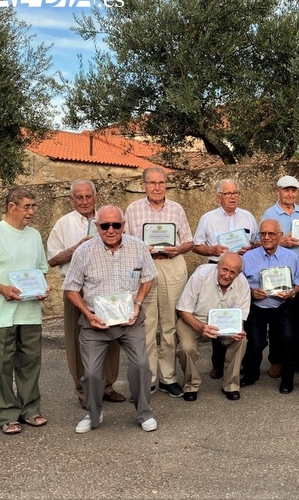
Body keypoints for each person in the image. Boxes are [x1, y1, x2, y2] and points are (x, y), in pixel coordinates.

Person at [63, 205, 158, 433]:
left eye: (116, 225)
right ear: (97, 227)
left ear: (123, 226)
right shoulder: (83, 252)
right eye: (105, 225)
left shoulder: (138, 247)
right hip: (95, 323)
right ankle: (93, 413)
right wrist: (88, 314)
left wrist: (137, 303)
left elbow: (148, 277)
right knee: (93, 374)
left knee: (141, 365)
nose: (111, 230)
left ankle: (144, 412)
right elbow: (71, 288)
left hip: (130, 321)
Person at [0, 187, 50, 434]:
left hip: (29, 311)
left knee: (30, 362)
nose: (32, 212)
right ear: (11, 207)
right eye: (27, 206)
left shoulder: (34, 235)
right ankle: (6, 414)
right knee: (1, 366)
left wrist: (42, 287)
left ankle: (30, 409)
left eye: (34, 206)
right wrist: (2, 288)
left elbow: (41, 269)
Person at [47, 180, 124, 409]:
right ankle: (83, 390)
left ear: (96, 197)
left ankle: (107, 386)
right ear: (71, 200)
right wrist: (77, 247)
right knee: (77, 338)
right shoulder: (63, 224)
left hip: (106, 286)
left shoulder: (108, 218)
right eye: (79, 197)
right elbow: (52, 260)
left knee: (111, 336)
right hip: (76, 289)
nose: (84, 201)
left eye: (88, 196)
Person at [125, 167, 194, 397]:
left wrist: (178, 249)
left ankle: (168, 377)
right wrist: (141, 249)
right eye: (152, 183)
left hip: (172, 265)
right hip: (144, 267)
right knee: (146, 324)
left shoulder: (176, 209)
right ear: (143, 184)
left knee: (169, 323)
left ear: (166, 185)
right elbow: (125, 241)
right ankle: (149, 377)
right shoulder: (133, 210)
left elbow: (188, 241)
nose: (157, 187)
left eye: (161, 183)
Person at [193, 178, 258, 379]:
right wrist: (212, 249)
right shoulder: (208, 218)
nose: (232, 197)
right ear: (218, 196)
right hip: (217, 268)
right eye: (228, 194)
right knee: (217, 314)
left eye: (235, 193)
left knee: (243, 314)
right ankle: (218, 364)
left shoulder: (248, 217)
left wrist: (251, 247)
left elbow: (257, 242)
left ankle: (243, 363)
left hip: (242, 268)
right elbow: (196, 245)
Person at [261, 175, 299, 379]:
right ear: (278, 191)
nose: (290, 194)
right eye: (286, 190)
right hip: (277, 268)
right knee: (279, 314)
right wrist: (281, 243)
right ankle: (277, 359)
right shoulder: (269, 213)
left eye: (294, 190)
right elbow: (263, 241)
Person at [175, 252, 250, 401]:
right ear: (218, 266)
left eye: (232, 272)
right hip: (194, 318)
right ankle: (191, 384)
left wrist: (238, 330)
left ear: (239, 273)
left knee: (242, 340)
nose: (227, 275)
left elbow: (240, 315)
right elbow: (183, 309)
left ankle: (231, 385)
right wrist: (200, 327)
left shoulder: (243, 283)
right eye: (224, 269)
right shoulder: (200, 276)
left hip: (225, 322)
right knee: (186, 347)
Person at [241, 219, 299, 394]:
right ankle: (251, 374)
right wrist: (251, 292)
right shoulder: (248, 257)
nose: (266, 237)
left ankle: (287, 379)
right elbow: (240, 283)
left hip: (281, 305)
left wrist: (292, 293)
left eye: (271, 234)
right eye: (263, 234)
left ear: (279, 236)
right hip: (257, 305)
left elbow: (298, 282)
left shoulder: (291, 257)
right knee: (253, 343)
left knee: (288, 338)